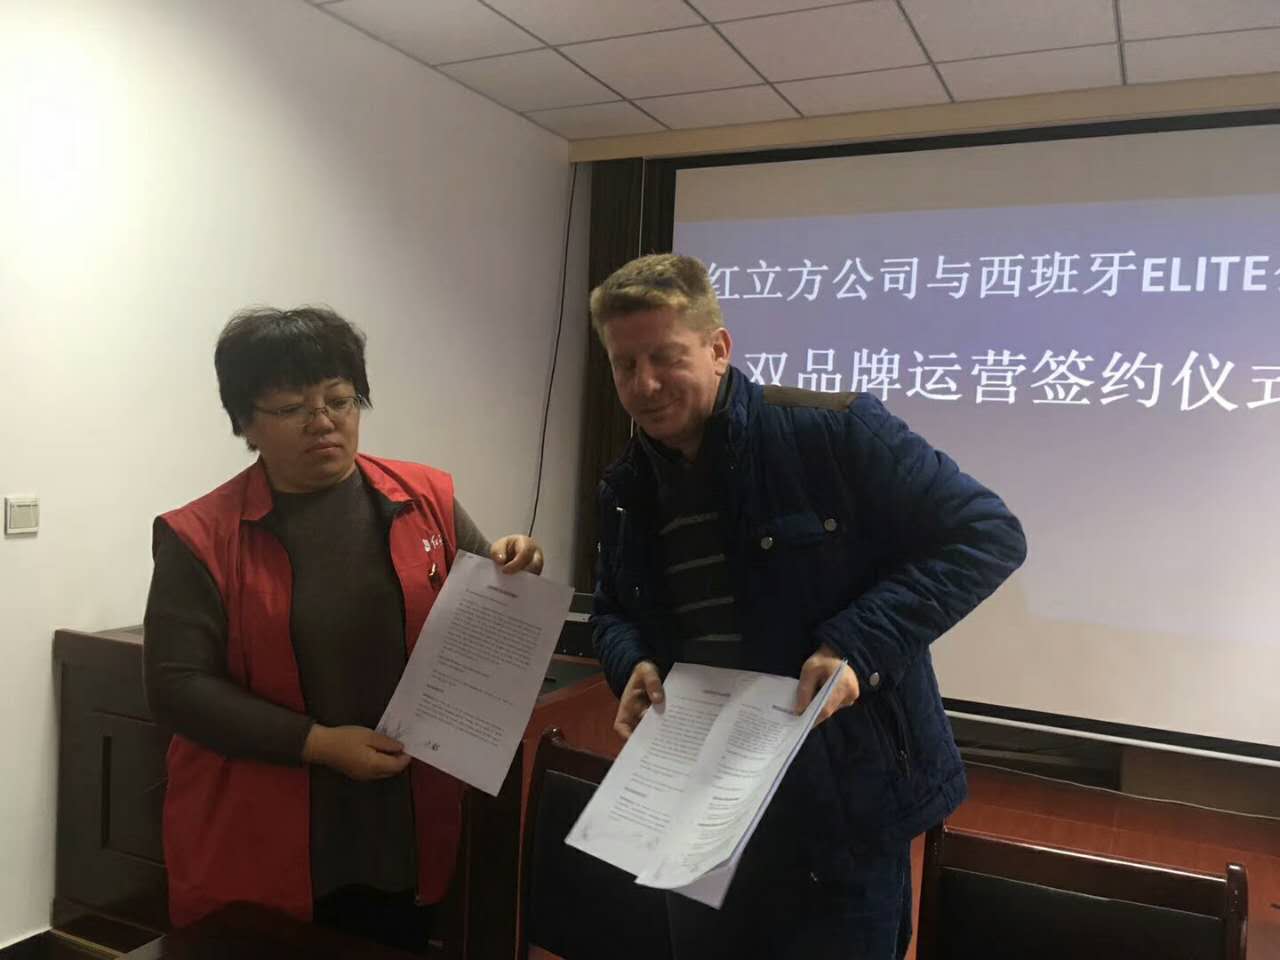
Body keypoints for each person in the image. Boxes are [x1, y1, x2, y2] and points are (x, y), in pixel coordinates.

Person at [588, 255, 1027, 960]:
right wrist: (630, 663)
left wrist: (853, 647)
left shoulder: (832, 433)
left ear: (718, 349)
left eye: (665, 357)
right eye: (624, 365)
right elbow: (612, 608)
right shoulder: (625, 487)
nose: (644, 384)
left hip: (840, 808)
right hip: (697, 804)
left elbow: (988, 534)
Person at [143, 306, 543, 954]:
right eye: (292, 408)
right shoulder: (200, 536)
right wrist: (320, 744)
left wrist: (516, 560)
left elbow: (485, 601)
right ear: (246, 423)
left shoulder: (424, 497)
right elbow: (176, 687)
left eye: (340, 399)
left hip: (400, 815)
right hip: (263, 823)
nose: (323, 421)